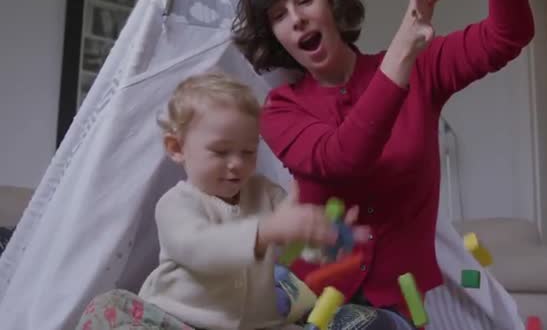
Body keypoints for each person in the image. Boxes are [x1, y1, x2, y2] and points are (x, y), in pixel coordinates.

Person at [232, 0, 535, 328]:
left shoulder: (421, 70)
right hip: (311, 305)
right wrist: (401, 54)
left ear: (331, 3)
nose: (295, 18)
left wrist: (404, 59)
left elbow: (508, 34)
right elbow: (342, 160)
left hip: (402, 307)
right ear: (274, 36)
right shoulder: (280, 110)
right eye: (278, 15)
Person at [74, 72, 367, 330]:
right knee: (107, 308)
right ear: (177, 148)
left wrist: (323, 238)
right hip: (180, 321)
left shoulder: (267, 193)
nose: (237, 163)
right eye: (221, 152)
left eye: (248, 152)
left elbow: (292, 244)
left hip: (257, 324)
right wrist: (264, 232)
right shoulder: (175, 204)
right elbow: (201, 248)